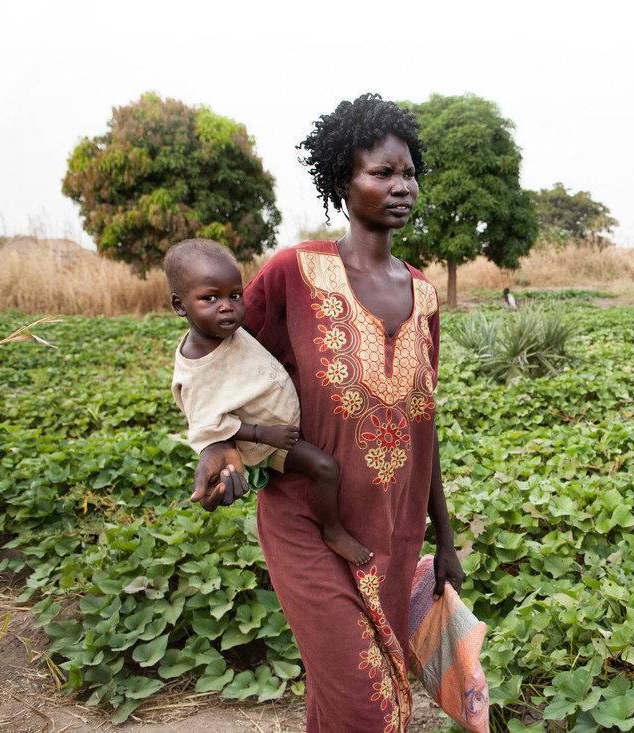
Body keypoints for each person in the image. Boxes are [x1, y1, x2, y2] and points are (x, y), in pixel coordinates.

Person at [188, 93, 465, 732]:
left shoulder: (424, 294)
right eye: (382, 173)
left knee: (338, 703)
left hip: (390, 533)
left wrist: (444, 540)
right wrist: (218, 445)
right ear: (343, 181)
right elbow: (218, 358)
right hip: (306, 522)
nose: (402, 187)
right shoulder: (293, 274)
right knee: (373, 705)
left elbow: (424, 428)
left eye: (408, 172)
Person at [166, 238, 372, 566]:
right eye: (209, 298)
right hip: (267, 443)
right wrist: (265, 435)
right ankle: (333, 531)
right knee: (325, 467)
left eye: (235, 295)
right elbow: (209, 427)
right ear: (180, 305)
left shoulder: (221, 331)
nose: (227, 306)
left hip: (277, 428)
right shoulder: (198, 366)